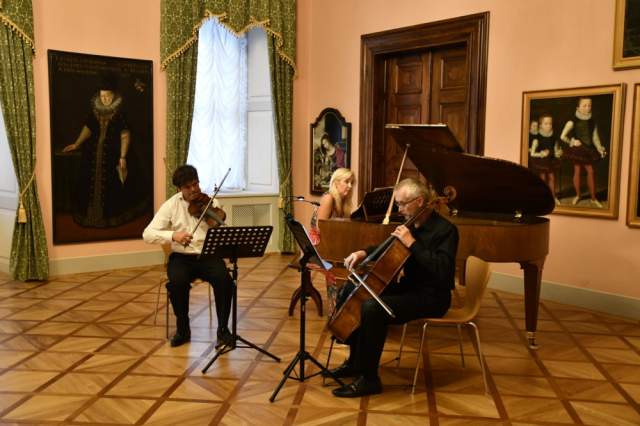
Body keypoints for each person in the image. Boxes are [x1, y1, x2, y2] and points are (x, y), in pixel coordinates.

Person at [325, 178, 459, 398]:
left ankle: (370, 380)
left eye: (402, 204)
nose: (399, 209)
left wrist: (412, 243)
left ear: (419, 201)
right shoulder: (411, 224)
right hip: (409, 288)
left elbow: (442, 271)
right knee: (356, 289)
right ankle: (355, 362)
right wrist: (363, 253)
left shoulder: (446, 231)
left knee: (372, 308)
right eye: (398, 204)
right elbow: (387, 247)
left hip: (433, 296)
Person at [142, 165, 233, 347]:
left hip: (207, 255)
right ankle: (183, 329)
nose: (194, 190)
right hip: (182, 257)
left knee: (225, 281)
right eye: (188, 187)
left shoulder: (209, 202)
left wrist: (213, 218)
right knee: (177, 283)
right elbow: (148, 234)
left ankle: (223, 330)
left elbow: (219, 225)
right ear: (179, 189)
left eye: (196, 184)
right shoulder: (171, 205)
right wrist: (173, 235)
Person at [62, 73, 147, 227]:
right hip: (93, 154)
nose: (105, 99)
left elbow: (125, 135)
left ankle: (109, 217)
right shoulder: (95, 112)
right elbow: (88, 128)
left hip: (114, 155)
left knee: (114, 187)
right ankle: (92, 216)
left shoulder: (120, 113)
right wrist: (77, 144)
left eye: (108, 96)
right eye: (102, 96)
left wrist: (123, 156)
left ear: (113, 96)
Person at [560, 97, 607, 208]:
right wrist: (572, 142)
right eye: (584, 105)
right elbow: (562, 136)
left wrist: (600, 148)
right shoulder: (572, 121)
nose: (587, 108)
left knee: (591, 172)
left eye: (589, 105)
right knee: (577, 171)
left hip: (588, 150)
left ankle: (593, 198)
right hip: (577, 150)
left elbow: (595, 138)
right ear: (578, 108)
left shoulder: (592, 122)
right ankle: (578, 195)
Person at [309, 168, 355, 245]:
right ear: (336, 183)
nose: (350, 186)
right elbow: (320, 229)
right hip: (319, 244)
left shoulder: (345, 202)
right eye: (347, 182)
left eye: (352, 183)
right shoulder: (329, 198)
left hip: (332, 242)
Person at [529, 114, 562, 205]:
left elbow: (555, 149)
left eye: (550, 124)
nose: (549, 126)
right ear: (540, 125)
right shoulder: (537, 138)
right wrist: (541, 154)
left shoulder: (553, 137)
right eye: (546, 124)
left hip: (551, 160)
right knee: (543, 179)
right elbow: (532, 153)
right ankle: (543, 197)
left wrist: (558, 153)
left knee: (552, 178)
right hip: (541, 161)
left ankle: (553, 196)